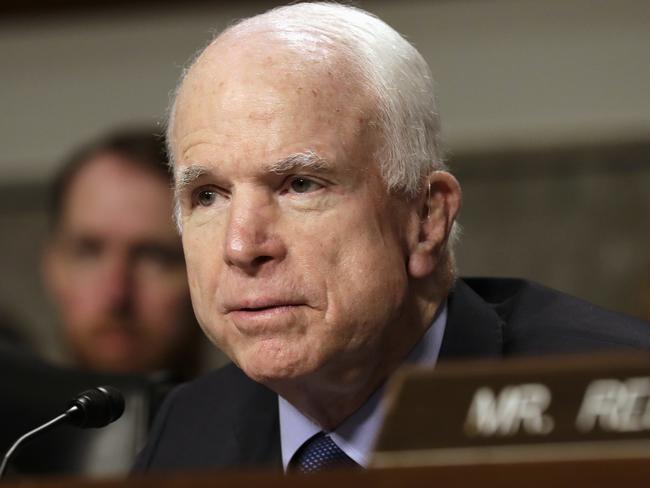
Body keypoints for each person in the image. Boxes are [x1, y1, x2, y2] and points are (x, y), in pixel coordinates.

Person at [134, 2, 650, 473]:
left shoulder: (616, 392)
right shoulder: (189, 430)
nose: (241, 247)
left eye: (300, 184)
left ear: (426, 217)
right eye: (207, 196)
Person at [43, 128, 203, 379]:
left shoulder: (271, 417)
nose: (116, 295)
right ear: (52, 267)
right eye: (89, 253)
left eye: (153, 258)